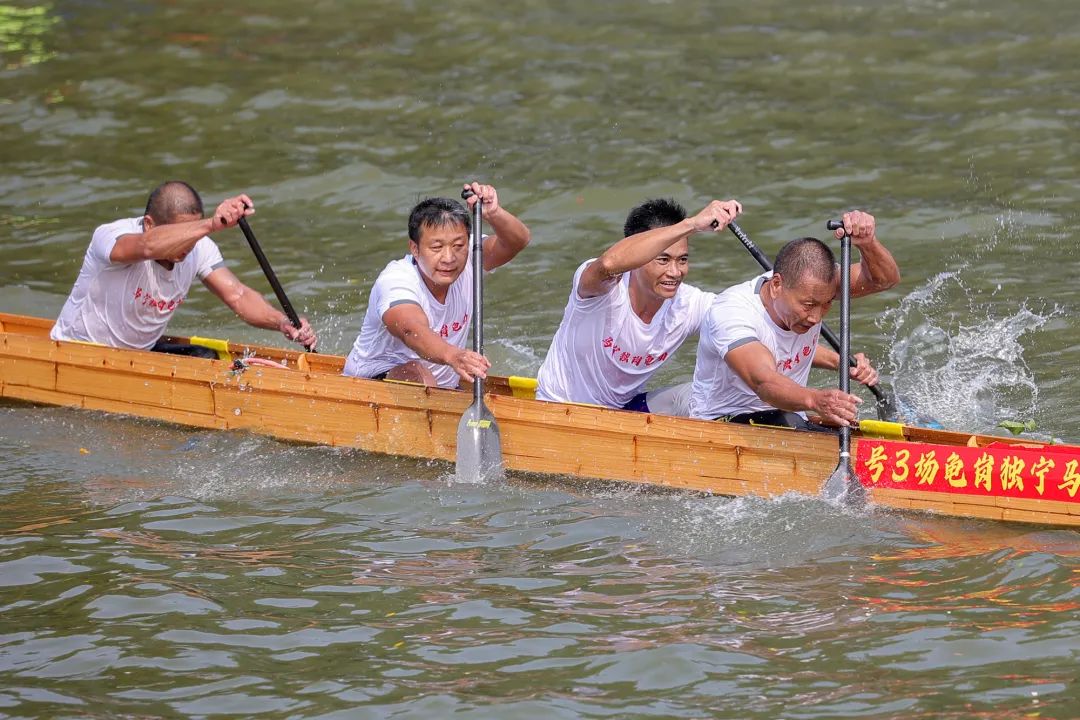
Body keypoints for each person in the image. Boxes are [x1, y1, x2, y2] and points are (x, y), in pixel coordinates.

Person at [51, 181, 317, 357]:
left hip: (140, 355)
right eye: (181, 232)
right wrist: (211, 225)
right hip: (76, 350)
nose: (188, 244)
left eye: (192, 231)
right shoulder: (110, 236)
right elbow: (146, 246)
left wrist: (281, 322)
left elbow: (238, 295)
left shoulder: (200, 248)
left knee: (208, 358)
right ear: (149, 224)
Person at [689, 210, 900, 429]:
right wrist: (815, 400)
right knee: (791, 421)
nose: (816, 317)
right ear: (776, 285)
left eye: (827, 303)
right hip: (721, 422)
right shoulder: (731, 312)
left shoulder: (817, 287)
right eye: (808, 305)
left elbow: (884, 280)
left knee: (830, 426)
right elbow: (763, 381)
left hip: (790, 417)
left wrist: (867, 243)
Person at [536, 198, 742, 414]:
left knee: (703, 395)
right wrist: (692, 224)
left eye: (682, 260)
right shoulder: (601, 288)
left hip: (623, 412)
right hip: (558, 409)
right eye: (663, 259)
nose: (675, 272)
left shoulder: (688, 304)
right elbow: (609, 263)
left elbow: (744, 310)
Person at [343, 182, 531, 388]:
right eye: (436, 247)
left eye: (458, 246)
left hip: (441, 388)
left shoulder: (471, 256)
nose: (449, 258)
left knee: (433, 384)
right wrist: (454, 356)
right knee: (420, 377)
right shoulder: (396, 280)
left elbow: (516, 242)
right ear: (415, 248)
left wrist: (494, 213)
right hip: (368, 382)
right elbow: (411, 330)